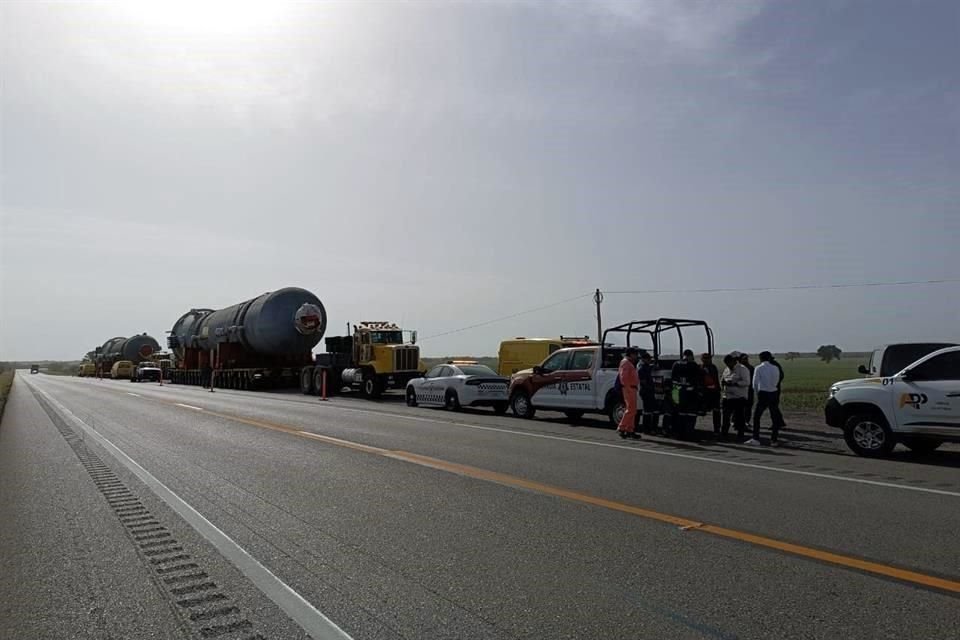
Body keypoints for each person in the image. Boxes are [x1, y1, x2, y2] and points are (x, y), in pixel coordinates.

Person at [750, 351, 785, 446]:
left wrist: (757, 393)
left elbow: (755, 383)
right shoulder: (775, 368)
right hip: (773, 392)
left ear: (760, 358)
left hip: (763, 393)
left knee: (757, 417)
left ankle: (756, 438)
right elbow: (777, 380)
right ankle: (774, 439)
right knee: (774, 416)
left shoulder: (758, 368)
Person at [670, 349, 702, 441]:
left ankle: (680, 434)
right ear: (691, 356)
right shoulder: (693, 365)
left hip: (679, 392)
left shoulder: (676, 364)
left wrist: (674, 394)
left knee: (681, 413)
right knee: (691, 414)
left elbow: (673, 379)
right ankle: (689, 434)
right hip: (691, 393)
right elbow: (697, 379)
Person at [720, 353, 750, 441]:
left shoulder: (743, 369)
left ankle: (740, 435)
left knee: (739, 417)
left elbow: (747, 382)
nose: (728, 365)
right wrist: (723, 383)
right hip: (727, 396)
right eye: (726, 363)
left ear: (734, 361)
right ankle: (724, 434)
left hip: (739, 397)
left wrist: (735, 383)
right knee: (725, 417)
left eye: (729, 363)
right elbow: (723, 379)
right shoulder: (726, 369)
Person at [617, 347, 641, 440]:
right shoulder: (626, 363)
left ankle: (630, 429)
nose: (636, 356)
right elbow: (624, 377)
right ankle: (622, 427)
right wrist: (627, 388)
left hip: (631, 388)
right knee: (630, 409)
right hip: (629, 388)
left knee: (632, 410)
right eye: (635, 354)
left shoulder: (628, 363)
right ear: (631, 354)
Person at [700, 353, 721, 435]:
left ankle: (717, 429)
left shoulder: (712, 368)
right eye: (704, 358)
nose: (706, 360)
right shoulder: (702, 367)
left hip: (713, 392)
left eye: (707, 358)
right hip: (706, 392)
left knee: (716, 411)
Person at [638, 350, 658, 433]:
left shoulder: (644, 366)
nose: (650, 361)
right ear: (644, 359)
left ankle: (648, 428)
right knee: (647, 411)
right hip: (646, 391)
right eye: (649, 359)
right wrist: (650, 388)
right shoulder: (642, 368)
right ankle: (647, 429)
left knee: (649, 410)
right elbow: (643, 381)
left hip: (647, 391)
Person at [738, 352, 755, 430]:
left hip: (749, 390)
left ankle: (747, 421)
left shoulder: (751, 368)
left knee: (748, 406)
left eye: (746, 358)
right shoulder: (738, 368)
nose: (745, 360)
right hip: (740, 390)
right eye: (744, 359)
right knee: (740, 407)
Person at [770, 354, 786, 430]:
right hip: (775, 388)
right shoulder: (775, 364)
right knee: (773, 406)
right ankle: (779, 422)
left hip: (773, 388)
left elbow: (781, 376)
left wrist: (774, 383)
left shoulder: (774, 365)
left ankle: (777, 423)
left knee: (773, 406)